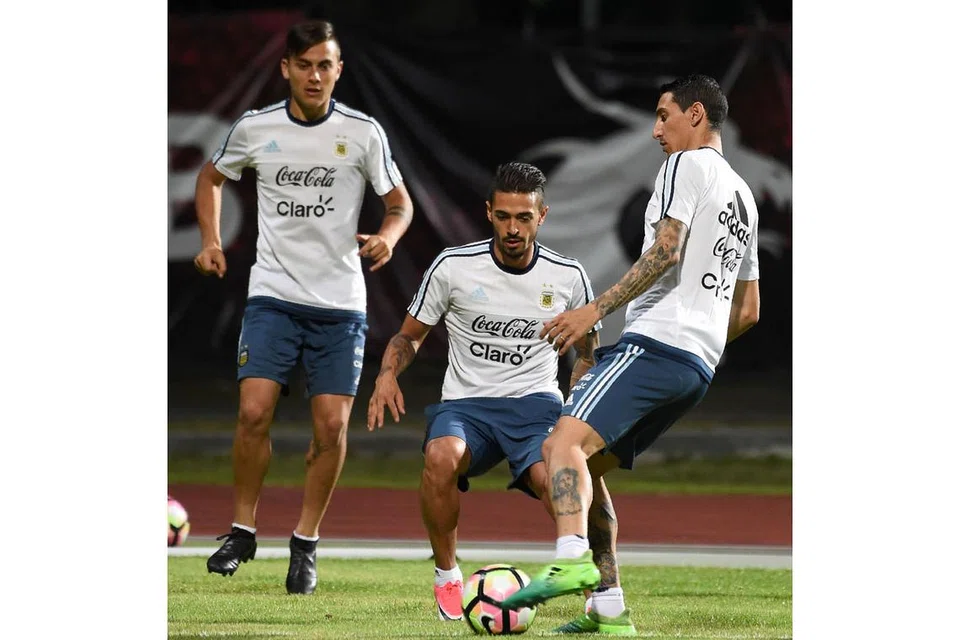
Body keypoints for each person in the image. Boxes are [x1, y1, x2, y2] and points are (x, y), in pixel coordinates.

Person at [500, 74, 762, 633]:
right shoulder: (744, 197)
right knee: (588, 466)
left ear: (696, 114)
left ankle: (570, 564)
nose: (655, 130)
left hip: (659, 343)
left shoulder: (686, 167)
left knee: (559, 446)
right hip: (698, 364)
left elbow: (667, 249)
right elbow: (748, 312)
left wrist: (592, 312)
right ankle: (609, 605)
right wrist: (703, 342)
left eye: (664, 115)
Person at [193, 19, 414, 595]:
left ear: (339, 70)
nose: (315, 75)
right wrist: (212, 242)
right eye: (305, 64)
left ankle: (306, 543)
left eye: (326, 65)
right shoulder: (257, 127)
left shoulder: (363, 133)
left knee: (332, 425)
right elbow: (210, 176)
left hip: (340, 304)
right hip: (273, 295)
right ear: (286, 68)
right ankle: (242, 529)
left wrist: (389, 234)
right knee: (253, 411)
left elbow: (399, 203)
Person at [366, 162, 629, 629]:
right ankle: (447, 574)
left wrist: (576, 407)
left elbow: (589, 353)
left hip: (537, 406)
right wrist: (388, 374)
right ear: (488, 212)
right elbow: (408, 337)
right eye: (504, 216)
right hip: (466, 406)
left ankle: (595, 590)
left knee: (563, 481)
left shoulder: (568, 276)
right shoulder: (453, 267)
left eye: (523, 217)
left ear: (542, 216)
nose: (512, 228)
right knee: (441, 457)